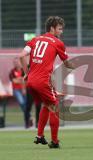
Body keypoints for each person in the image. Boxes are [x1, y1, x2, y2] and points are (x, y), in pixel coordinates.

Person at [19, 16, 75, 148]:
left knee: (46, 105)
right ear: (52, 28)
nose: (61, 32)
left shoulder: (35, 39)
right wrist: (73, 66)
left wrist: (27, 73)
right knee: (55, 107)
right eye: (60, 29)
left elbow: (21, 56)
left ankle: (39, 136)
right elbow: (66, 63)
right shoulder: (57, 42)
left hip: (31, 81)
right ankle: (55, 142)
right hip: (43, 81)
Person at [9, 58, 31, 128]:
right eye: (14, 62)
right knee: (22, 103)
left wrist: (23, 87)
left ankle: (27, 120)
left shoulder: (23, 70)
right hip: (16, 90)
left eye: (17, 62)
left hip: (23, 89)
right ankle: (29, 117)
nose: (16, 63)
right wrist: (21, 79)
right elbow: (14, 81)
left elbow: (26, 81)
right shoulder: (12, 71)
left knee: (26, 104)